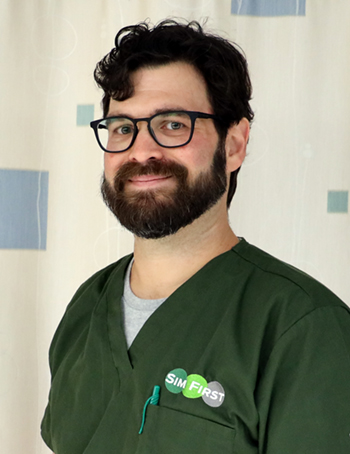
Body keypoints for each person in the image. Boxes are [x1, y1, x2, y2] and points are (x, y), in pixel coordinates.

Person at [41, 19, 350, 454]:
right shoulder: (85, 310)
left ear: (235, 144)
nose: (142, 151)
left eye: (172, 124)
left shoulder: (303, 330)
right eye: (123, 128)